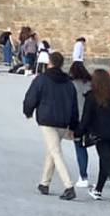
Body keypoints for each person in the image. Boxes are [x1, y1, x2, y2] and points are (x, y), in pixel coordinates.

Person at [22, 57, 79, 199]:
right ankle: (44, 183)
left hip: (47, 119)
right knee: (52, 150)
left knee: (55, 152)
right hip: (63, 121)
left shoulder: (42, 79)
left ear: (49, 63)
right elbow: (74, 106)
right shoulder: (69, 83)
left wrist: (28, 111)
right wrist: (73, 125)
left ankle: (68, 186)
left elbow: (31, 97)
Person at [79, 69, 110, 206]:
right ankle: (98, 190)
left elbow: (86, 119)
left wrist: (79, 132)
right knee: (105, 162)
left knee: (107, 162)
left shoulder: (91, 97)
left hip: (101, 135)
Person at [68, 61, 92, 181]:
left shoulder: (70, 84)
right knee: (101, 147)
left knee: (80, 147)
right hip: (92, 118)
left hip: (77, 119)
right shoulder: (91, 83)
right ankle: (108, 171)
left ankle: (83, 175)